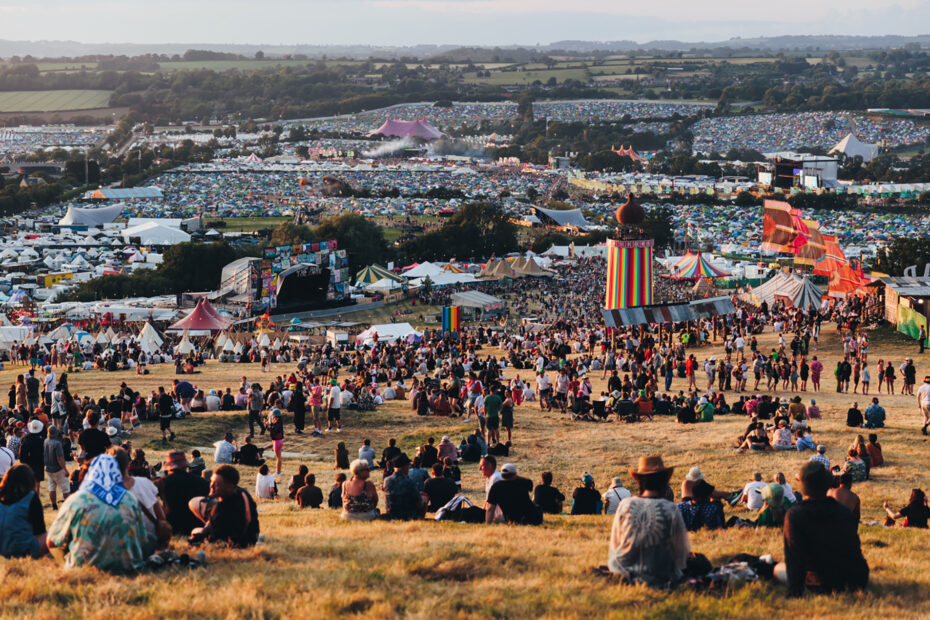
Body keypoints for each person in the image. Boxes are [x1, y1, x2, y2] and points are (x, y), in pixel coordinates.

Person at [775, 461, 869, 597]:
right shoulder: (844, 512)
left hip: (817, 582)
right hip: (849, 578)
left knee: (777, 568)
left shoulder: (795, 515)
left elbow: (794, 559)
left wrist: (794, 592)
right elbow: (854, 550)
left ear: (803, 487)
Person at [47, 454, 154, 572]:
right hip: (127, 568)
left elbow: (51, 542)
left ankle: (68, 563)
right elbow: (142, 539)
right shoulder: (129, 498)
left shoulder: (76, 499)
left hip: (82, 569)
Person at [608, 455, 689, 587]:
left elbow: (615, 545)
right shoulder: (671, 509)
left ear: (639, 481)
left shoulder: (625, 505)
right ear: (664, 480)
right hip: (661, 576)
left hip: (625, 571)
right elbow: (681, 554)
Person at [187, 465, 260, 548]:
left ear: (229, 487)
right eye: (211, 482)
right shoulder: (242, 493)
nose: (211, 486)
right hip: (251, 537)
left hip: (236, 542)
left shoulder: (220, 510)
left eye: (216, 484)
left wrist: (201, 533)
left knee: (195, 529)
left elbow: (214, 540)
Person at [110, 447, 167, 547]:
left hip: (120, 543)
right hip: (149, 540)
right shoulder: (146, 483)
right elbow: (161, 517)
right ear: (127, 464)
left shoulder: (105, 490)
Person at [157, 450, 209, 537]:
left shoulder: (162, 482)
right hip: (195, 525)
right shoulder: (201, 482)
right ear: (186, 465)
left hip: (173, 526)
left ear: (169, 467)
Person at [0, 464, 47, 558]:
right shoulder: (31, 498)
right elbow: (39, 531)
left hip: (2, 548)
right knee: (51, 535)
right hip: (23, 551)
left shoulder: (2, 497)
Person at [382, 454, 423, 520]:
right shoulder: (409, 482)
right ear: (405, 466)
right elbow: (419, 503)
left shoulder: (386, 480)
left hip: (391, 513)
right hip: (407, 515)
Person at [44, 425, 69, 510]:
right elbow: (59, 458)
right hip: (58, 469)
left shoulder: (45, 441)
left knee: (52, 488)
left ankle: (54, 505)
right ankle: (67, 506)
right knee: (65, 489)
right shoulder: (57, 443)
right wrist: (65, 469)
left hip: (49, 468)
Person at [19, 419, 45, 494]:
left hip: (27, 463)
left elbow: (21, 453)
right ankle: (36, 496)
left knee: (28, 482)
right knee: (37, 482)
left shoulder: (25, 439)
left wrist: (23, 462)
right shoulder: (41, 439)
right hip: (39, 463)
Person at [267, 408, 284, 475]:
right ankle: (278, 471)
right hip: (276, 440)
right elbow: (270, 429)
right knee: (278, 457)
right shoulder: (276, 421)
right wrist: (268, 425)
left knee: (278, 458)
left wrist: (269, 426)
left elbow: (273, 431)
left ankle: (278, 472)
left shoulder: (278, 422)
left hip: (277, 441)